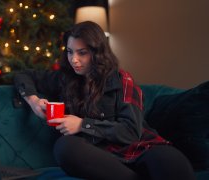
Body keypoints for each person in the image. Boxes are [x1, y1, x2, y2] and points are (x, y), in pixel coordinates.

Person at [14, 21, 195, 180]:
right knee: (64, 147)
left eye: (82, 53)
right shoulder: (65, 78)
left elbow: (131, 132)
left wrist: (82, 125)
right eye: (70, 52)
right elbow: (23, 75)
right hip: (98, 156)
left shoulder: (122, 80)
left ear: (97, 53)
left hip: (139, 148)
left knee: (170, 161)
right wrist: (33, 100)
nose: (74, 60)